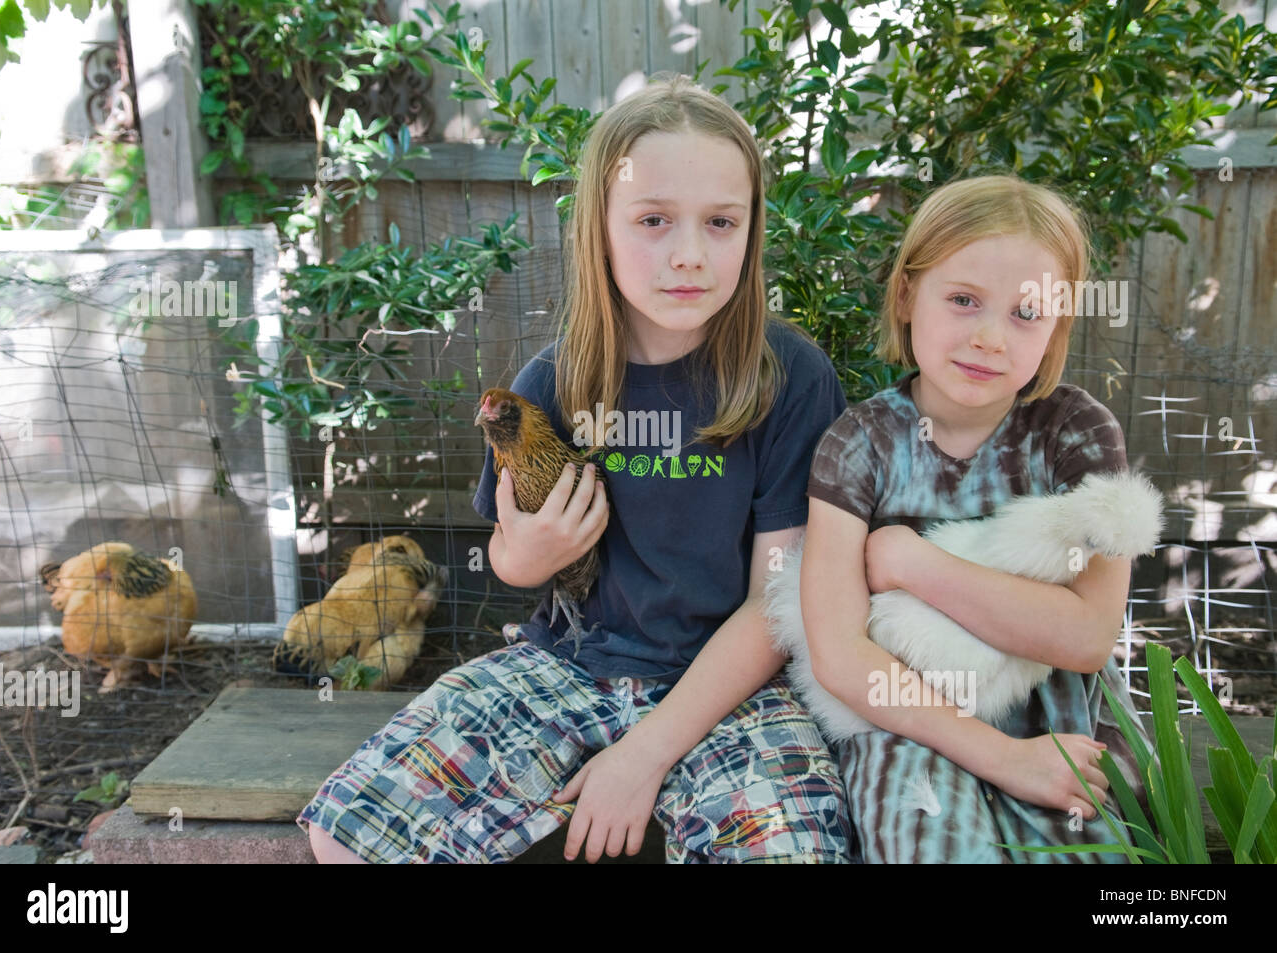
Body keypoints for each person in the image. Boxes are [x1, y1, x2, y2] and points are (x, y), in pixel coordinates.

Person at [297, 72, 854, 863]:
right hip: (565, 667)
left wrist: (643, 754)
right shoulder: (552, 383)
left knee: (796, 849)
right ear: (599, 226)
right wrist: (534, 552)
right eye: (654, 220)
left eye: (721, 222)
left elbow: (778, 605)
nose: (689, 253)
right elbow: (508, 558)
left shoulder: (788, 379)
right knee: (347, 824)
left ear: (752, 230)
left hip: (736, 691)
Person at [798, 174, 1152, 863]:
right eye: (963, 300)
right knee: (925, 841)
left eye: (1027, 313)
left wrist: (909, 560)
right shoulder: (859, 443)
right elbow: (841, 655)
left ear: (1057, 324)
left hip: (1064, 717)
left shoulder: (1075, 433)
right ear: (906, 295)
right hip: (906, 720)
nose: (991, 337)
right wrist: (1002, 758)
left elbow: (1084, 636)